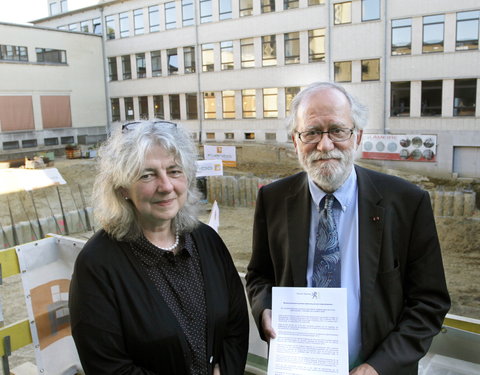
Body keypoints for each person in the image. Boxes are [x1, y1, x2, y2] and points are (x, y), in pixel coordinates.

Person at [245, 82, 450, 375]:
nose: (325, 145)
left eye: (338, 131)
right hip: (299, 365)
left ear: (358, 137)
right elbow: (259, 275)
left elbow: (429, 302)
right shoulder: (273, 199)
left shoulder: (407, 202)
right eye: (312, 132)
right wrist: (264, 308)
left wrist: (378, 366)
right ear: (295, 141)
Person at [69, 120, 249, 375]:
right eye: (147, 175)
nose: (166, 186)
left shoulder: (207, 240)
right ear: (122, 189)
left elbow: (236, 326)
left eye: (174, 171)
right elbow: (108, 366)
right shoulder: (97, 264)